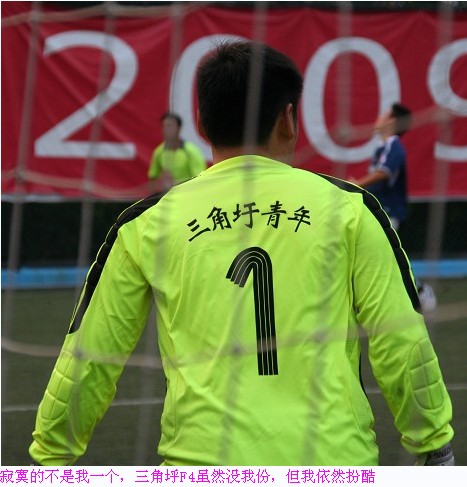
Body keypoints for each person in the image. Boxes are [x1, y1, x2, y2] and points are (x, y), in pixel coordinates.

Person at [29, 40, 454, 466]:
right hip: (331, 462)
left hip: (202, 467)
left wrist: (50, 456)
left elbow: (90, 355)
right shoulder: (349, 209)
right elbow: (401, 339)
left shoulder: (146, 224)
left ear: (201, 123)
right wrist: (434, 446)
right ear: (289, 119)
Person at [351, 103, 437, 312]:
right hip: (379, 212)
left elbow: (385, 172)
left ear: (392, 122)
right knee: (384, 256)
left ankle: (420, 292)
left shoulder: (394, 146)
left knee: (388, 257)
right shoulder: (381, 147)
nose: (379, 118)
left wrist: (358, 184)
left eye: (383, 115)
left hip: (389, 212)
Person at [147, 112, 206, 190]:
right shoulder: (159, 152)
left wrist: (174, 183)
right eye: (163, 126)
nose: (165, 130)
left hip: (188, 194)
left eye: (169, 126)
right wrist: (159, 184)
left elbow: (200, 179)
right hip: (166, 195)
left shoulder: (191, 151)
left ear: (178, 128)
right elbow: (153, 179)